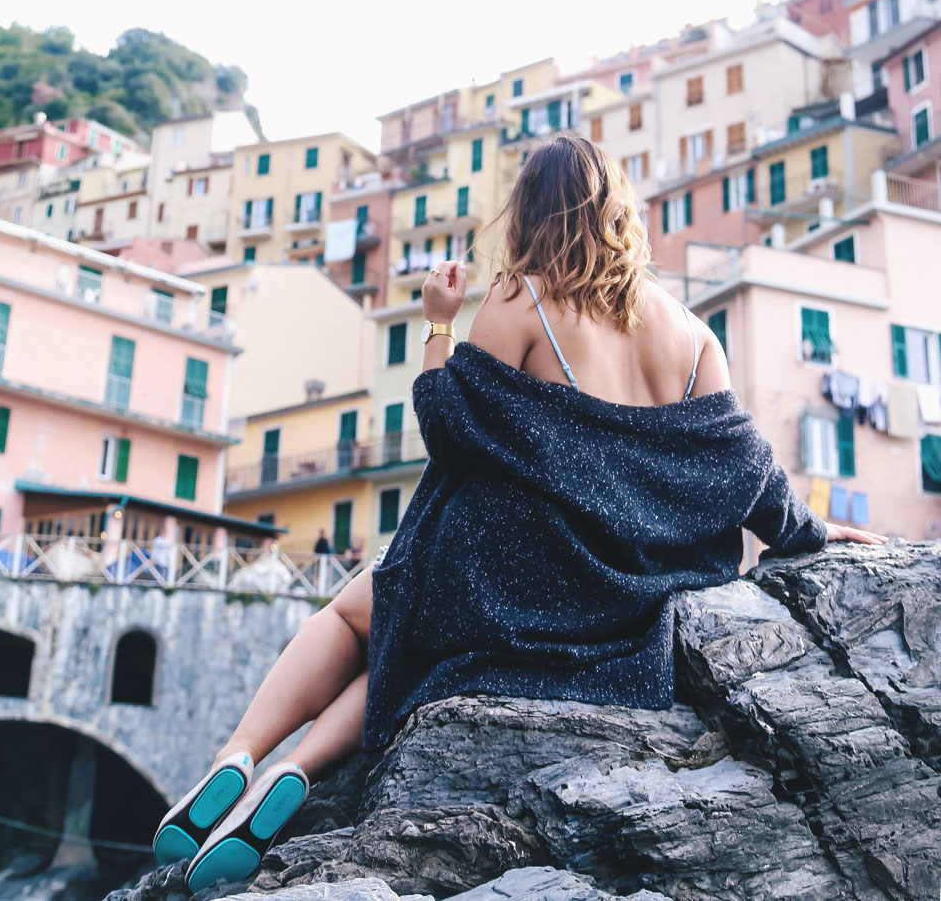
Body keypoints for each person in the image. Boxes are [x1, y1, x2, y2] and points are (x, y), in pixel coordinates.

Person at [159, 131, 888, 892]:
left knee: (355, 617)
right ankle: (300, 770)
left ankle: (236, 758)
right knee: (406, 646)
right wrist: (812, 532)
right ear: (619, 210)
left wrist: (439, 321)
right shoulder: (695, 334)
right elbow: (745, 467)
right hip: (622, 604)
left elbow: (450, 428)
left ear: (532, 212)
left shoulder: (524, 295)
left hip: (504, 572)